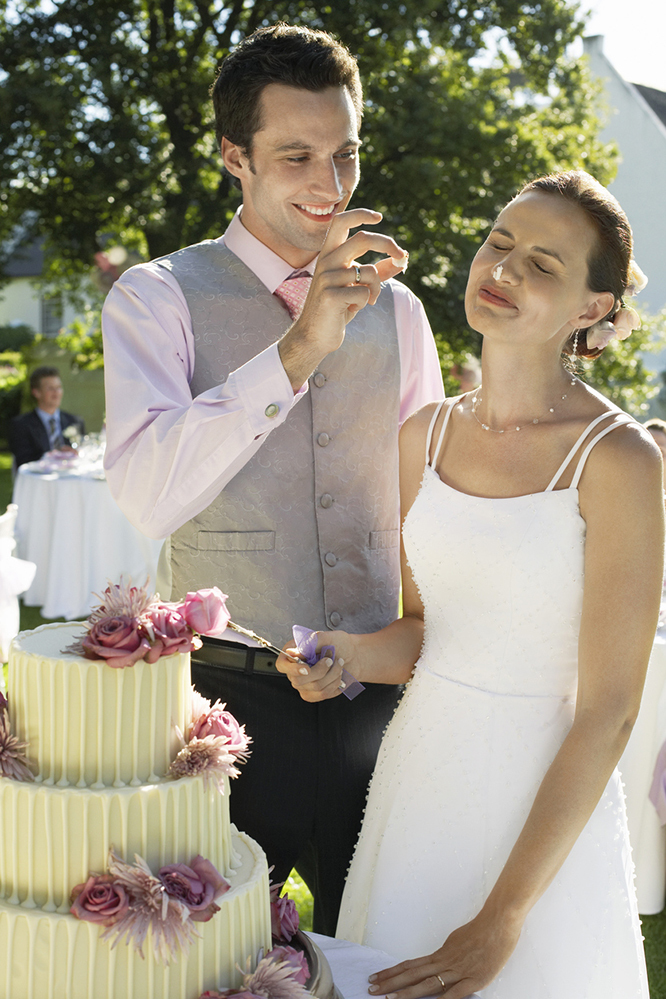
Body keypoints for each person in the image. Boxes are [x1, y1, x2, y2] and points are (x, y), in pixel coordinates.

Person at [278, 170, 662, 997]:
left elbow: (611, 710)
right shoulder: (425, 434)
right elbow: (426, 632)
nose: (505, 269)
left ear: (591, 308)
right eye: (500, 242)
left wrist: (506, 917)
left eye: (545, 265)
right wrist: (344, 655)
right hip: (418, 784)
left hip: (541, 808)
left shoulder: (622, 459)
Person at [101, 23, 443, 934]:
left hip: (385, 698)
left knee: (381, 951)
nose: (331, 187)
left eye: (346, 155)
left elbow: (431, 507)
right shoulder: (155, 295)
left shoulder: (402, 312)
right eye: (297, 156)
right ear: (232, 157)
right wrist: (295, 353)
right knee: (218, 955)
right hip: (227, 699)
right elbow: (145, 492)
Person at [9, 366, 84, 469]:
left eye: (58, 387)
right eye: (50, 388)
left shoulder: (75, 421)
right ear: (36, 392)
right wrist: (54, 456)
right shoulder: (21, 425)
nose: (56, 392)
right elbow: (23, 461)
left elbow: (84, 453)